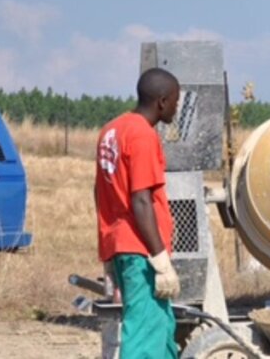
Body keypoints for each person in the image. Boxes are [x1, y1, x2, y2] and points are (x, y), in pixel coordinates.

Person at [95, 67, 182, 359]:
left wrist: (108, 252)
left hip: (123, 247)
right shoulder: (142, 135)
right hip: (141, 251)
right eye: (175, 100)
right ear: (161, 101)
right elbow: (141, 200)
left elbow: (101, 192)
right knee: (145, 339)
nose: (176, 107)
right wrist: (160, 260)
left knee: (163, 331)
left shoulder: (111, 130)